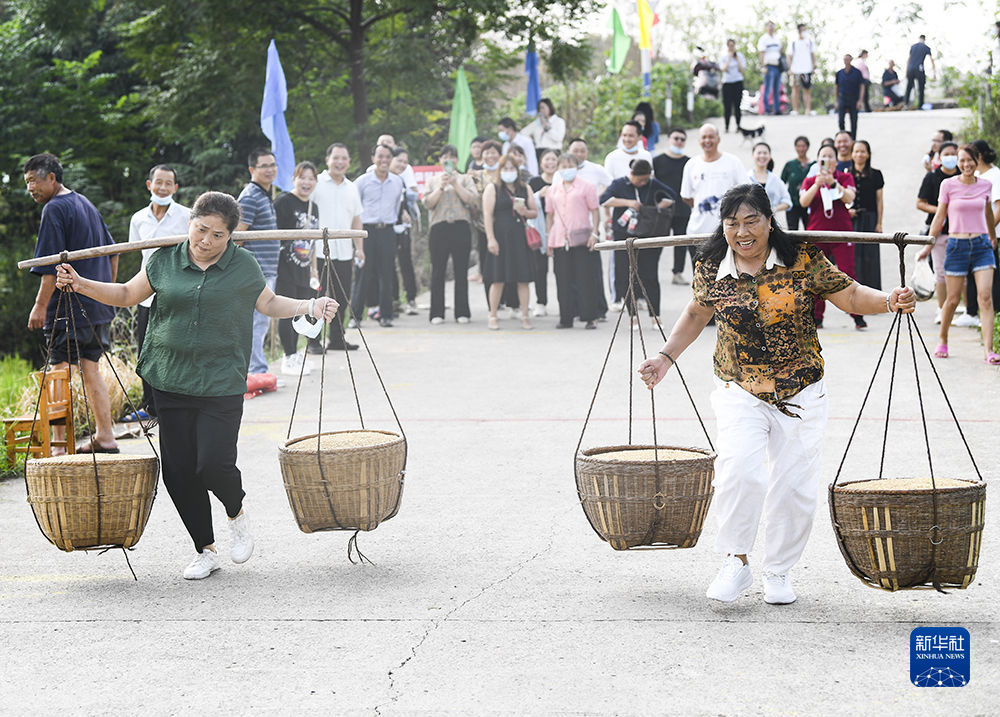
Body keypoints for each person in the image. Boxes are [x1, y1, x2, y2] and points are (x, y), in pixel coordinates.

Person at [636, 183, 916, 605]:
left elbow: (852, 295)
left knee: (794, 486)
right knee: (739, 471)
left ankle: (779, 569)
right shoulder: (711, 264)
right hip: (738, 387)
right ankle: (736, 559)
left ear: (769, 220)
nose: (742, 232)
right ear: (723, 227)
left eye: (752, 221)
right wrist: (665, 357)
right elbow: (697, 312)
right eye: (733, 224)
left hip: (801, 390)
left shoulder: (801, 258)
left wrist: (889, 302)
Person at [54, 191, 341, 579]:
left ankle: (236, 512)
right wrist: (79, 283)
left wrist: (310, 305)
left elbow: (269, 304)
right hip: (170, 379)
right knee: (179, 470)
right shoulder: (164, 260)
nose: (206, 240)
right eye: (201, 229)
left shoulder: (242, 266)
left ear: (231, 237)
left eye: (218, 235)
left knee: (214, 464)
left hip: (220, 380)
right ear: (190, 222)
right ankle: (204, 549)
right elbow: (125, 294)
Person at [24, 153, 119, 454]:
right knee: (90, 368)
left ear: (51, 178)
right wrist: (107, 291)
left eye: (33, 181)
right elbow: (114, 252)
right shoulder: (85, 204)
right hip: (96, 305)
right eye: (27, 184)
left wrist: (40, 306)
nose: (30, 189)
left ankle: (58, 446)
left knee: (59, 371)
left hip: (69, 307)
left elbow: (52, 265)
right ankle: (106, 436)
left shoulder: (54, 209)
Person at [918, 144, 998, 363]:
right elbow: (939, 217)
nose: (965, 164)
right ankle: (943, 338)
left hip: (981, 246)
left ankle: (989, 350)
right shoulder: (948, 185)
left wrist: (991, 237)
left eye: (969, 160)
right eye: (961, 160)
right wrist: (928, 245)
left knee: (985, 297)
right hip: (956, 246)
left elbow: (988, 213)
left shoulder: (986, 185)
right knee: (952, 300)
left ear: (977, 160)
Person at [127, 164, 190, 419]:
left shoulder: (187, 216)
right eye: (158, 182)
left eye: (168, 183)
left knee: (175, 346)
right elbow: (136, 251)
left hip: (176, 291)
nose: (163, 187)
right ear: (149, 185)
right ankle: (149, 406)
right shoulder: (138, 218)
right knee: (146, 349)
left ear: (175, 188)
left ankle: (177, 402)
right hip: (146, 292)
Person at [600, 159, 678, 323]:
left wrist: (657, 207)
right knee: (626, 275)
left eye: (646, 179)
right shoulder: (619, 184)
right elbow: (604, 200)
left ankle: (655, 315)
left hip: (647, 233)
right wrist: (628, 202)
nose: (643, 182)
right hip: (623, 234)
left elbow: (671, 196)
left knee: (650, 274)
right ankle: (632, 315)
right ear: (632, 174)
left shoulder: (652, 183)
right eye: (640, 179)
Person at [799, 144, 865, 329]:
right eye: (823, 157)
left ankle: (856, 314)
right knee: (815, 276)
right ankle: (817, 316)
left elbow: (849, 198)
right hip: (817, 234)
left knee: (847, 273)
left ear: (836, 161)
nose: (826, 160)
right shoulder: (810, 180)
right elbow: (803, 202)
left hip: (841, 233)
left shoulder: (845, 177)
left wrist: (834, 183)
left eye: (830, 157)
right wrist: (818, 184)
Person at [311, 142, 364, 352]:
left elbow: (356, 219)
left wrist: (359, 248)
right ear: (327, 160)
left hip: (344, 252)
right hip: (317, 252)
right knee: (317, 297)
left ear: (349, 162)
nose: (340, 162)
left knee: (342, 297)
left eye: (344, 158)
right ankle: (313, 341)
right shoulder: (316, 184)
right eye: (336, 158)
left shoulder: (352, 187)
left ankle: (337, 339)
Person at [235, 148, 280, 377]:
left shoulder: (263, 195)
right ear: (252, 169)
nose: (270, 169)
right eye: (264, 166)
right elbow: (238, 237)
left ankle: (257, 369)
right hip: (256, 271)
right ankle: (256, 372)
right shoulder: (251, 196)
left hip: (267, 269)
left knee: (261, 321)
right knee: (256, 322)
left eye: (273, 165)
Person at [481, 153, 539, 330]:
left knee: (523, 278)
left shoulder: (525, 188)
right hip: (500, 236)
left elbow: (534, 212)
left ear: (517, 170)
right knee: (498, 278)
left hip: (520, 237)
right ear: (500, 171)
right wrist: (491, 239)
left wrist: (525, 212)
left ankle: (524, 315)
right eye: (505, 168)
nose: (509, 171)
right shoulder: (493, 188)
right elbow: (488, 215)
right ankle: (493, 315)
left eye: (512, 168)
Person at [274, 161, 320, 376]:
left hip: (304, 268)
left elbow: (314, 242)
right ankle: (288, 356)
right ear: (294, 178)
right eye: (303, 177)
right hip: (285, 267)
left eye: (311, 179)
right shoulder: (283, 202)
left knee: (301, 312)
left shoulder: (313, 206)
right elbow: (273, 235)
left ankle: (294, 354)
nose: (307, 182)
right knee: (286, 311)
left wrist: (314, 270)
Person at [545, 154, 602, 329]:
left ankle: (589, 317)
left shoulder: (587, 186)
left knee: (585, 278)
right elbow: (549, 214)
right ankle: (566, 317)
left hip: (581, 238)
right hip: (560, 239)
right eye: (563, 165)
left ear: (576, 167)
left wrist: (595, 233)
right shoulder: (552, 190)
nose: (566, 168)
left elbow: (595, 211)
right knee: (563, 279)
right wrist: (548, 237)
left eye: (570, 165)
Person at [424, 144, 478, 324]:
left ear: (457, 160)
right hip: (439, 228)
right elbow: (428, 204)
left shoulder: (465, 179)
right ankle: (436, 313)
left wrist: (455, 183)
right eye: (445, 157)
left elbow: (471, 199)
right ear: (440, 160)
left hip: (461, 227)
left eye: (453, 157)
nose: (449, 160)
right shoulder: (433, 180)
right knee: (437, 271)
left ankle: (462, 312)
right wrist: (441, 187)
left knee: (461, 270)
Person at [354, 144, 405, 328]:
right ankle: (356, 316)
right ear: (373, 158)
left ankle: (386, 315)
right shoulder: (362, 181)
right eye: (380, 156)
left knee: (387, 273)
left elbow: (397, 208)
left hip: (388, 231)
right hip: (366, 231)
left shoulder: (397, 182)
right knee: (363, 273)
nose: (384, 160)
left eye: (387, 157)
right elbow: (355, 210)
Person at [567, 137, 612, 319]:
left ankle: (599, 309)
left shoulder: (595, 169)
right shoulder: (562, 171)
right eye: (575, 150)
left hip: (590, 227)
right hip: (569, 229)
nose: (578, 154)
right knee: (574, 271)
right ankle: (578, 308)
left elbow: (612, 185)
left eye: (582, 150)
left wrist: (596, 198)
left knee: (593, 271)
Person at [916, 141, 960, 324]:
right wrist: (941, 210)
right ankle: (942, 309)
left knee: (960, 271)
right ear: (939, 157)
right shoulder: (932, 178)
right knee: (940, 271)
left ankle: (962, 307)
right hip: (939, 231)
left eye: (953, 153)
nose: (951, 157)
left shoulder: (963, 176)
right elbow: (920, 203)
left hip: (960, 230)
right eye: (946, 154)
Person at [680, 124, 746, 238]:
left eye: (711, 137)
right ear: (699, 140)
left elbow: (746, 192)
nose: (707, 140)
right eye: (704, 137)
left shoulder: (733, 162)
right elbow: (685, 196)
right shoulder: (691, 164)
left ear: (718, 139)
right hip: (697, 232)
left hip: (727, 233)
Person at [653, 127, 695, 284]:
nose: (678, 141)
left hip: (683, 208)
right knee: (657, 242)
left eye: (682, 139)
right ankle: (652, 271)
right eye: (675, 138)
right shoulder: (657, 161)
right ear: (669, 139)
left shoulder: (690, 162)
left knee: (681, 243)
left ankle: (677, 272)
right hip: (662, 210)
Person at [470, 140, 503, 304]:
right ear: (481, 156)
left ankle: (510, 301)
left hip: (505, 226)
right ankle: (492, 304)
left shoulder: (507, 173)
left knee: (506, 264)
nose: (490, 156)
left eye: (493, 152)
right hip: (482, 227)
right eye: (487, 153)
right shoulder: (474, 176)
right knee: (487, 266)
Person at [848, 141, 884, 290]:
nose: (859, 155)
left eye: (862, 151)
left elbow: (879, 200)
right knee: (854, 257)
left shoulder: (876, 174)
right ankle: (854, 293)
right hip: (852, 220)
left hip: (870, 218)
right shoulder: (846, 174)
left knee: (871, 257)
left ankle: (873, 293)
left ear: (868, 154)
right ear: (852, 154)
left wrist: (879, 223)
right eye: (856, 151)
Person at [528, 149, 560, 317]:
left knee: (562, 269)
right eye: (547, 159)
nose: (550, 162)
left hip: (560, 230)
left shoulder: (563, 180)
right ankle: (541, 302)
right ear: (541, 163)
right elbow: (526, 201)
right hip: (539, 231)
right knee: (540, 269)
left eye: (553, 159)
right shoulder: (534, 181)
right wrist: (537, 195)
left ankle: (567, 303)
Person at [389, 147, 419, 317]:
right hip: (386, 227)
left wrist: (404, 211)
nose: (402, 164)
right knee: (389, 265)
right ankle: (394, 300)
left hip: (402, 228)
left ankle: (411, 299)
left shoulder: (401, 180)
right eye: (399, 160)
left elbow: (406, 200)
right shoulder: (381, 177)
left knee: (406, 263)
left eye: (405, 162)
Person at [748, 142, 791, 221]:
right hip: (749, 223)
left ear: (769, 156)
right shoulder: (746, 178)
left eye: (765, 153)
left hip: (770, 224)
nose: (762, 156)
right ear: (753, 155)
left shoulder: (776, 180)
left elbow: (787, 201)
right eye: (759, 153)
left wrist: (774, 209)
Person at [780, 136, 814, 230]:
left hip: (809, 203)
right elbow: (781, 183)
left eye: (803, 146)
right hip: (792, 203)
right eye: (798, 146)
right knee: (792, 231)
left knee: (810, 230)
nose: (801, 149)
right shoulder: (790, 165)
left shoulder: (813, 165)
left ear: (807, 147)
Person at [788, 24, 816, 115]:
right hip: (796, 70)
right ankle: (795, 110)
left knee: (807, 90)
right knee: (795, 89)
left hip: (806, 70)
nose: (805, 32)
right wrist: (790, 68)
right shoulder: (793, 42)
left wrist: (813, 66)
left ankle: (808, 109)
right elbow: (788, 56)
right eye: (803, 30)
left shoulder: (809, 42)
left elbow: (813, 54)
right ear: (799, 31)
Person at [719, 39, 746, 132]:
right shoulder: (724, 57)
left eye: (733, 45)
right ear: (727, 46)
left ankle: (738, 125)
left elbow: (742, 70)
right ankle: (727, 126)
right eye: (730, 45)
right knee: (727, 106)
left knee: (737, 105)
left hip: (738, 82)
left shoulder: (740, 56)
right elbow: (724, 69)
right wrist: (730, 58)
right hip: (727, 83)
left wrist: (737, 58)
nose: (731, 47)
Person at [834, 54, 863, 138]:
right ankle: (843, 137)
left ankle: (853, 139)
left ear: (851, 60)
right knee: (840, 120)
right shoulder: (839, 73)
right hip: (842, 97)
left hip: (853, 98)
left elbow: (862, 86)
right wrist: (836, 101)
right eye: (845, 59)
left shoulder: (857, 72)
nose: (846, 61)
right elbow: (836, 87)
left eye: (848, 59)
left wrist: (860, 100)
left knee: (853, 120)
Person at [758, 21, 783, 115]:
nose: (771, 28)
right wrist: (763, 66)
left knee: (777, 89)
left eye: (773, 26)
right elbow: (761, 53)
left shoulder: (777, 38)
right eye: (769, 26)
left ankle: (777, 109)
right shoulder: (764, 39)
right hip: (769, 66)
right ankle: (767, 109)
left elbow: (780, 51)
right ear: (766, 28)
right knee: (768, 88)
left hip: (777, 66)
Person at [905, 34, 936, 109]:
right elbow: (931, 60)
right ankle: (920, 105)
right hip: (919, 69)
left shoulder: (913, 46)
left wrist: (906, 71)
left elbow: (908, 60)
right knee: (921, 87)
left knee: (909, 87)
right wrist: (934, 73)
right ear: (924, 39)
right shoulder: (926, 47)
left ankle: (906, 104)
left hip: (910, 69)